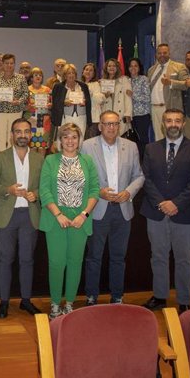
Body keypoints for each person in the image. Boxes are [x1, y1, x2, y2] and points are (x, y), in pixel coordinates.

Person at [140, 108, 190, 313]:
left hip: (185, 213)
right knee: (158, 256)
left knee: (184, 258)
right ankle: (160, 296)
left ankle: (184, 299)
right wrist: (162, 202)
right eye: (169, 121)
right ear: (163, 123)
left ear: (183, 123)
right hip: (156, 211)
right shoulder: (151, 148)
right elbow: (146, 178)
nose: (173, 124)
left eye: (177, 120)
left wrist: (176, 203)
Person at [81, 111, 144, 305]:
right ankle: (91, 296)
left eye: (115, 124)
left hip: (122, 209)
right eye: (107, 124)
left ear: (120, 126)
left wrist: (129, 192)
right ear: (100, 126)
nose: (111, 127)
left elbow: (139, 176)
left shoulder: (131, 146)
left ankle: (117, 296)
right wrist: (98, 191)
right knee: (94, 256)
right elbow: (81, 176)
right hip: (98, 209)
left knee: (118, 257)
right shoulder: (86, 146)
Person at [39, 123, 99, 319]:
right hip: (56, 219)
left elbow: (94, 191)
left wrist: (84, 215)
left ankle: (70, 303)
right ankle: (55, 304)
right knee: (56, 263)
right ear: (60, 140)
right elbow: (44, 190)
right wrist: (58, 214)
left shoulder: (88, 161)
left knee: (75, 262)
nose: (70, 141)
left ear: (79, 140)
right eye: (66, 137)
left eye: (74, 137)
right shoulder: (50, 160)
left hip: (79, 221)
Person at [0, 118, 44, 318]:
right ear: (12, 134)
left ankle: (26, 301)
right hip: (7, 215)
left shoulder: (40, 159)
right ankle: (4, 301)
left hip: (30, 215)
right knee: (5, 259)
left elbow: (45, 187)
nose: (22, 135)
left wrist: (36, 194)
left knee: (27, 259)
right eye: (18, 132)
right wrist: (8, 190)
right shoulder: (0, 157)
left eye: (25, 131)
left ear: (30, 134)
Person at [147, 44, 187, 141]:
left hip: (170, 107)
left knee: (174, 137)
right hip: (154, 108)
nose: (162, 55)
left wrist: (171, 82)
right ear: (156, 55)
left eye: (165, 53)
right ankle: (162, 156)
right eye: (159, 53)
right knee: (158, 138)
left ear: (169, 53)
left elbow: (186, 85)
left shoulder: (179, 67)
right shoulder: (151, 70)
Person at [0, 53, 29, 152]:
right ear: (2, 64)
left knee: (13, 139)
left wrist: (19, 101)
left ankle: (13, 163)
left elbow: (26, 93)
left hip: (16, 112)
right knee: (1, 140)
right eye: (6, 63)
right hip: (0, 112)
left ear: (14, 64)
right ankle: (1, 164)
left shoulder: (21, 78)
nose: (9, 65)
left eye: (11, 63)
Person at [51, 64, 92, 146]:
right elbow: (55, 103)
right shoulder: (58, 87)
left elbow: (88, 102)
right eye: (69, 73)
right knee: (65, 140)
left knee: (79, 141)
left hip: (81, 118)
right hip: (65, 117)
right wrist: (64, 102)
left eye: (73, 73)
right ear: (65, 75)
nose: (71, 75)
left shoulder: (83, 86)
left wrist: (84, 102)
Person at [127, 57, 152, 159]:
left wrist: (133, 95)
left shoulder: (144, 79)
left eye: (135, 65)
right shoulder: (126, 80)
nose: (133, 68)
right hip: (130, 115)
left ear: (139, 67)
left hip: (142, 115)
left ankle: (144, 162)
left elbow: (147, 98)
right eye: (131, 66)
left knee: (143, 140)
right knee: (132, 141)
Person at [100, 58, 132, 137]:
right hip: (107, 113)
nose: (111, 68)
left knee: (120, 137)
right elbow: (99, 101)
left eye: (114, 66)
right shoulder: (102, 82)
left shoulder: (124, 80)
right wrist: (104, 96)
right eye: (109, 66)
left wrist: (128, 114)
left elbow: (128, 98)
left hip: (120, 113)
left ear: (117, 68)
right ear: (106, 68)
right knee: (108, 136)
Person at [24, 67, 52, 151]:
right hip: (31, 121)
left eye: (40, 75)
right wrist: (29, 107)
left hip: (44, 122)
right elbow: (22, 106)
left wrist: (50, 105)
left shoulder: (48, 90)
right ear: (31, 78)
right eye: (36, 75)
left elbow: (52, 104)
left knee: (42, 148)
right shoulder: (26, 89)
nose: (38, 77)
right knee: (31, 150)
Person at [81, 62, 105, 139]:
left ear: (94, 73)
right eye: (86, 69)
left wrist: (91, 95)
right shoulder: (78, 85)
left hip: (93, 119)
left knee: (92, 141)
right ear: (83, 71)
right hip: (82, 118)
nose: (88, 72)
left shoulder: (97, 84)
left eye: (91, 70)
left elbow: (101, 99)